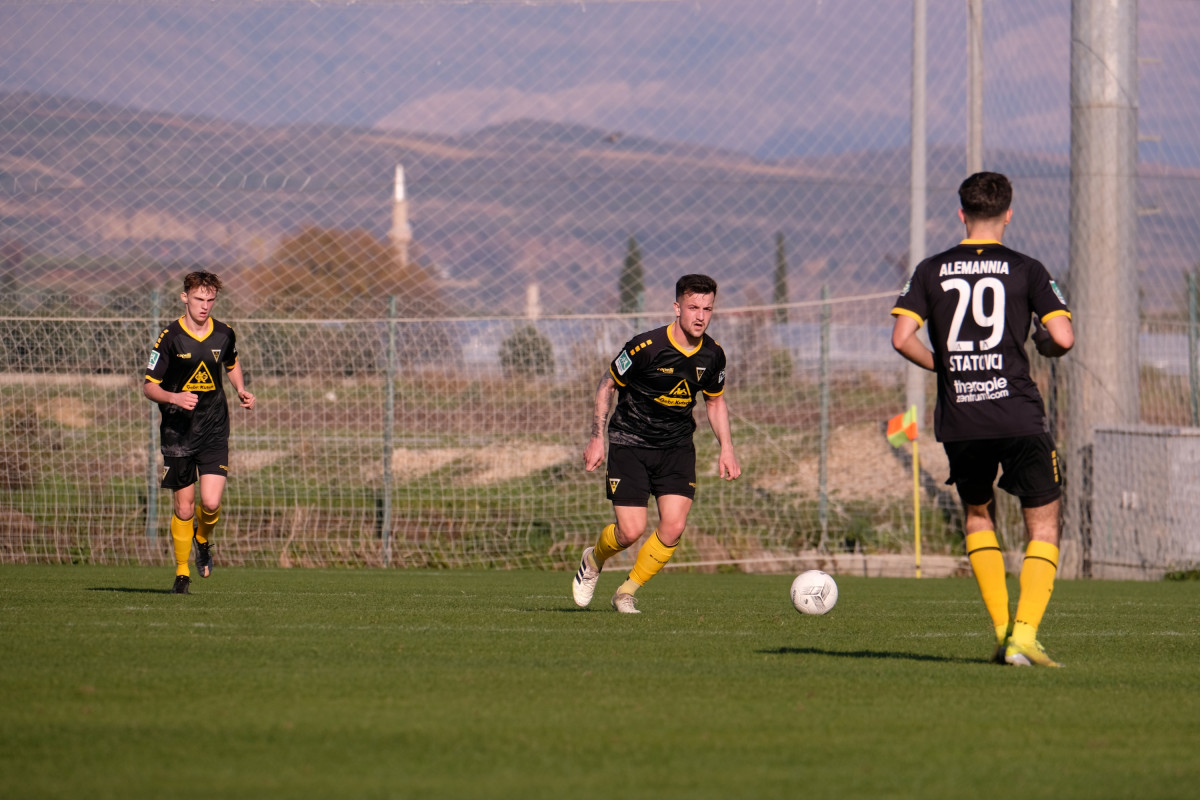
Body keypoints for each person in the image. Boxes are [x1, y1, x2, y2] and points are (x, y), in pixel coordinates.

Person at [891, 171, 1074, 666]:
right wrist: (1042, 344)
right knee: (1043, 524)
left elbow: (902, 338)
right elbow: (1062, 337)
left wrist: (945, 366)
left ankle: (1001, 631)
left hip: (962, 418)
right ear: (1008, 214)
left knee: (978, 514)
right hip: (1017, 413)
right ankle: (1024, 635)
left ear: (961, 214)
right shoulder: (1027, 268)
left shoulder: (930, 269)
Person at [572, 273, 741, 613]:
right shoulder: (645, 347)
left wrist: (727, 448)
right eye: (693, 307)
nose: (700, 316)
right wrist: (596, 438)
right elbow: (608, 385)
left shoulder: (713, 355)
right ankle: (593, 560)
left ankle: (626, 592)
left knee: (674, 526)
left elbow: (715, 402)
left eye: (707, 309)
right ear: (677, 307)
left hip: (676, 448)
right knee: (630, 531)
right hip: (630, 443)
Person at [143, 271, 255, 594]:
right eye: (198, 299)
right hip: (178, 432)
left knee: (210, 502)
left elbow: (231, 363)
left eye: (210, 300)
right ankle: (182, 573)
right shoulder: (170, 337)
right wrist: (174, 397)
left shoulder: (224, 333)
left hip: (214, 428)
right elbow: (149, 386)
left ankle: (202, 540)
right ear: (185, 298)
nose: (204, 306)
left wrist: (241, 389)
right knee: (184, 508)